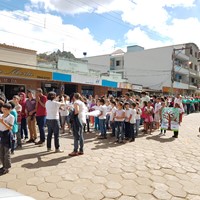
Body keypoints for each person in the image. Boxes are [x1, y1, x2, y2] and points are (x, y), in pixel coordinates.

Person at [0, 103, 14, 175]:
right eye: (3, 109)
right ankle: (3, 166)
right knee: (1, 152)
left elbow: (10, 128)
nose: (4, 110)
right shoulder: (0, 115)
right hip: (1, 134)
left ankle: (7, 167)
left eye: (6, 109)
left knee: (6, 152)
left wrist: (3, 122)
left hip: (7, 134)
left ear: (9, 110)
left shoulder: (11, 117)